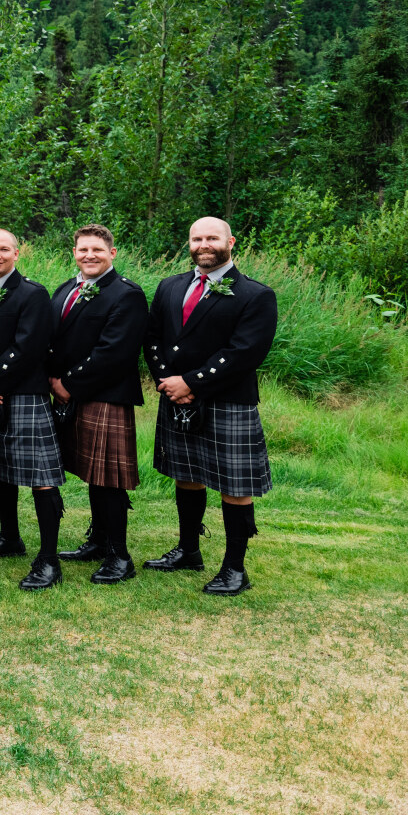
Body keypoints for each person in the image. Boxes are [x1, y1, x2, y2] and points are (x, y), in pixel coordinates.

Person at [143, 216, 278, 596]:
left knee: (235, 486)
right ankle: (188, 551)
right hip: (177, 398)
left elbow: (245, 353)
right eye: (197, 238)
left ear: (230, 242)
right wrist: (169, 382)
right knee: (186, 474)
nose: (204, 244)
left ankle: (235, 569)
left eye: (212, 238)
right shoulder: (170, 286)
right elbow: (152, 338)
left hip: (227, 401)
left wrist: (190, 382)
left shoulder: (255, 294)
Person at [47, 224, 150, 585]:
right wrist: (50, 378)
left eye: (97, 250)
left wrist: (67, 384)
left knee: (108, 479)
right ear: (74, 252)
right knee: (93, 475)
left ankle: (119, 557)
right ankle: (98, 540)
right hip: (71, 395)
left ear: (112, 253)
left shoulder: (126, 295)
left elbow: (114, 353)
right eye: (82, 249)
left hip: (105, 396)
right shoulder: (65, 289)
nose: (89, 255)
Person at [0, 228, 65, 591]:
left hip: (24, 395)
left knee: (41, 475)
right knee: (0, 468)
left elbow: (30, 346)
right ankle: (10, 538)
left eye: (4, 249)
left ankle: (49, 560)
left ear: (16, 253)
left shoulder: (32, 293)